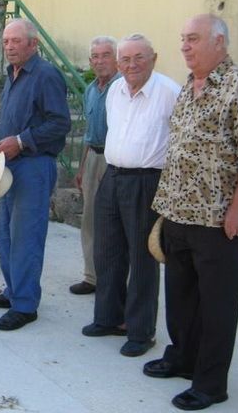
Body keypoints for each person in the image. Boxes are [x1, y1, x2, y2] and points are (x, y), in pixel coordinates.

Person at [144, 14, 238, 411]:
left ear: (219, 42)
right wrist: (165, 212)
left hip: (218, 220)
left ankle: (211, 383)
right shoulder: (189, 86)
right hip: (178, 213)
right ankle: (183, 357)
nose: (185, 46)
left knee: (217, 304)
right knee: (181, 297)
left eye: (193, 39)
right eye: (183, 39)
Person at [82, 34, 180, 357]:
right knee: (107, 250)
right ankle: (109, 317)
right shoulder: (115, 91)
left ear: (154, 58)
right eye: (125, 59)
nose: (131, 65)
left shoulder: (169, 92)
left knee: (142, 259)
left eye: (139, 57)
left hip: (146, 181)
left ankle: (140, 331)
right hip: (113, 176)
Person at [0, 18, 71, 330]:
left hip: (34, 165)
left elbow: (60, 124)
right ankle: (13, 291)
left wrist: (20, 142)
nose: (9, 47)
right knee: (5, 233)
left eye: (16, 41)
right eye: (6, 41)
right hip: (8, 166)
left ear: (33, 44)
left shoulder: (46, 75)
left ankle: (25, 305)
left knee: (26, 237)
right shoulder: (12, 74)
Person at [69, 36, 120, 295]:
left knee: (113, 223)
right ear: (90, 62)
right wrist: (81, 168)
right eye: (95, 56)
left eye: (106, 55)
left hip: (116, 161)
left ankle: (113, 279)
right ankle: (91, 277)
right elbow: (89, 132)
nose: (100, 61)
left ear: (116, 59)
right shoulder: (90, 89)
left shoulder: (122, 87)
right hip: (93, 158)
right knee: (89, 219)